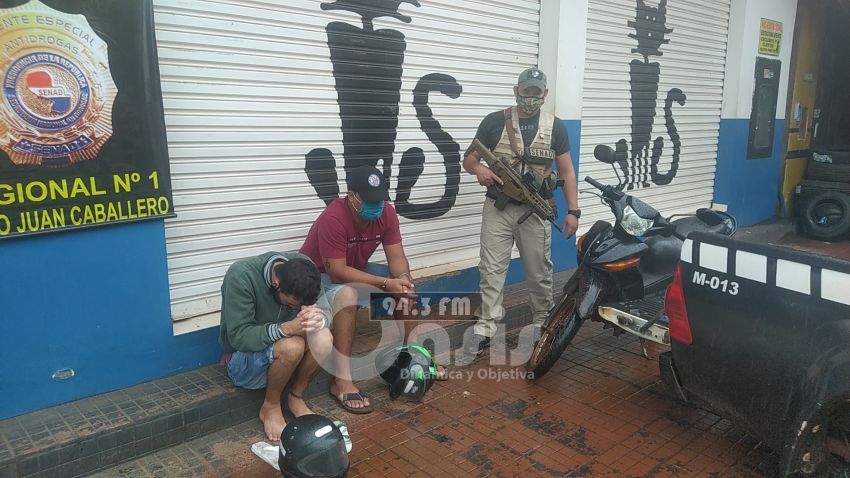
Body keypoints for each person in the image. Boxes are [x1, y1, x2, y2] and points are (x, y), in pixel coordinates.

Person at [300, 165, 446, 414]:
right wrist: (386, 284)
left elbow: (397, 257)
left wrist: (403, 280)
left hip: (355, 268)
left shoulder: (386, 212)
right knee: (347, 295)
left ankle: (413, 356)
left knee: (405, 286)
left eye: (379, 199)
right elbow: (337, 272)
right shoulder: (333, 217)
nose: (376, 205)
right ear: (351, 196)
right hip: (318, 276)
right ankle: (341, 381)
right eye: (369, 200)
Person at [462, 67, 580, 355]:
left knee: (539, 272)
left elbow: (567, 171)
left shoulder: (556, 127)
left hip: (535, 211)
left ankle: (542, 322)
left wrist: (573, 211)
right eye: (526, 91)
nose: (531, 97)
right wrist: (479, 170)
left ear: (545, 94)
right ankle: (486, 327)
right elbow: (469, 159)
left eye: (536, 92)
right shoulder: (494, 121)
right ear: (517, 90)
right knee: (491, 270)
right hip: (498, 208)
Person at [219, 252, 334, 442]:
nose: (294, 309)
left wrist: (319, 319)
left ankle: (295, 396)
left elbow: (326, 311)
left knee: (324, 337)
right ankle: (270, 406)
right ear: (276, 283)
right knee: (293, 345)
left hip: (285, 358)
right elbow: (239, 336)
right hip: (244, 360)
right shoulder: (241, 275)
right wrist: (285, 329)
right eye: (290, 303)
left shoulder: (306, 268)